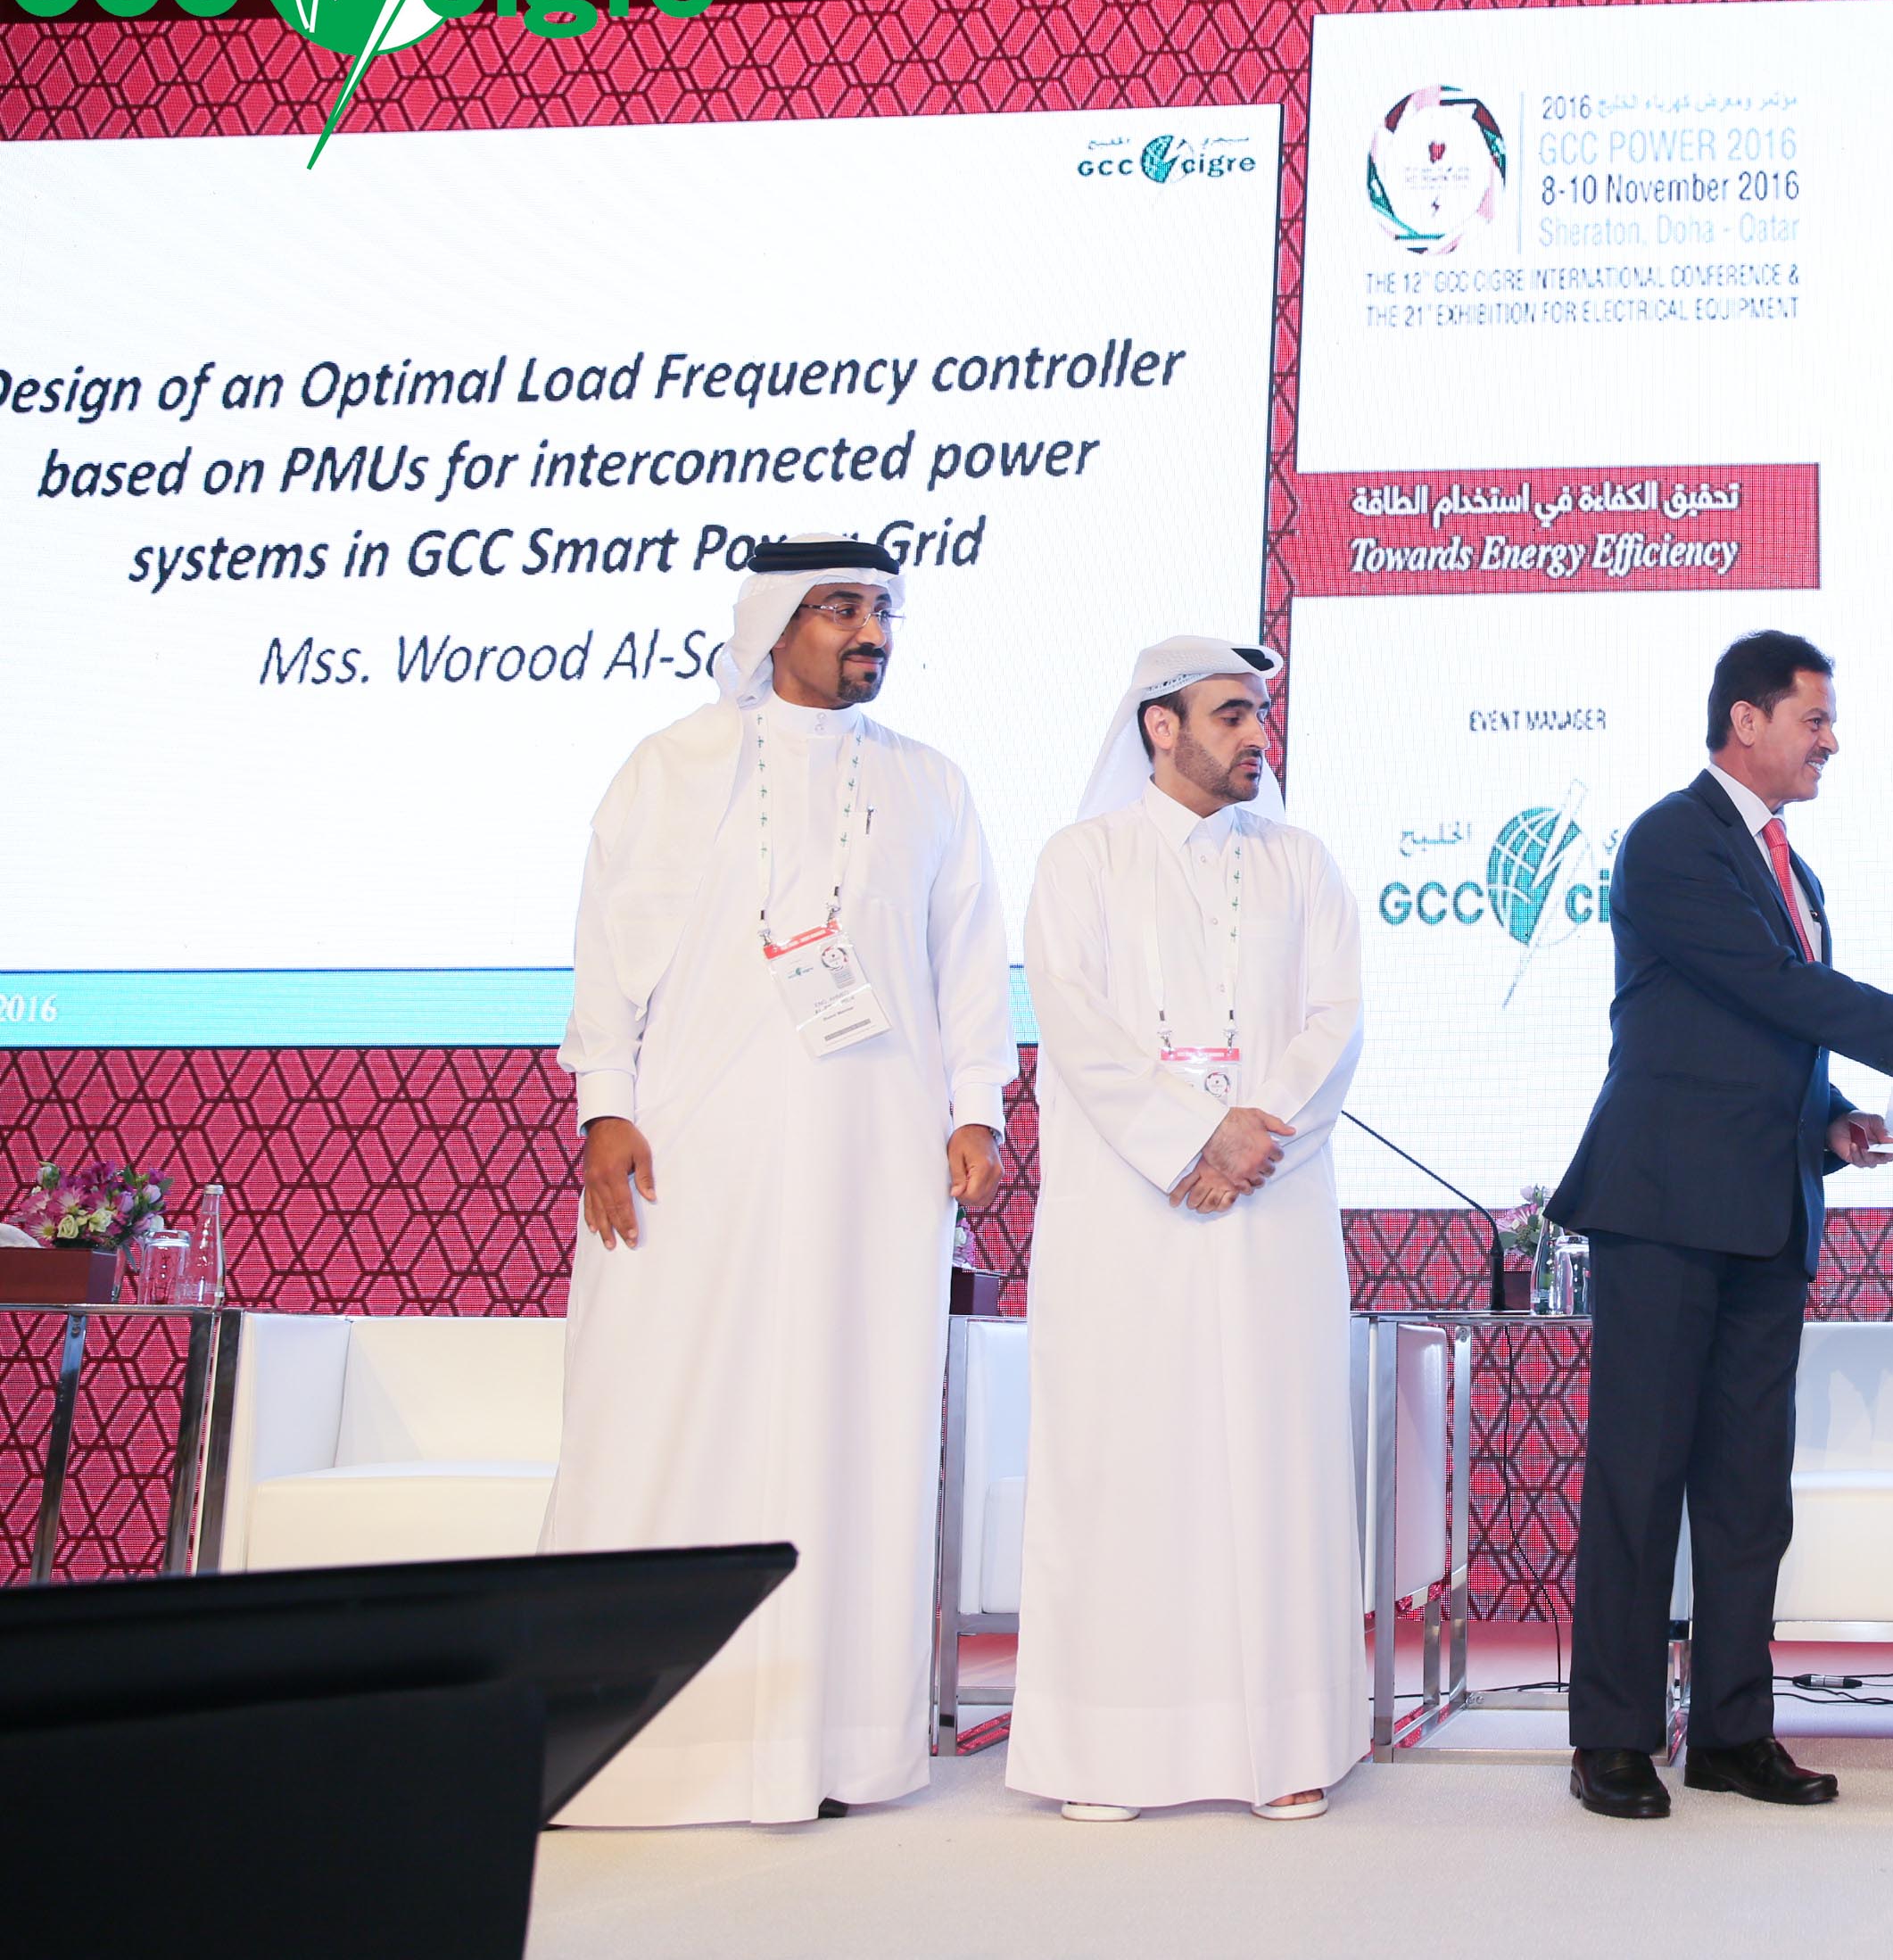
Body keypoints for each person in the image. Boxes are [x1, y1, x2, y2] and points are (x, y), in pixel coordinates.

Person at [550, 537, 1014, 1826]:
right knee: (662, 1400)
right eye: (841, 608)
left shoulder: (928, 781)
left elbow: (970, 960)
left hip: (876, 1156)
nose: (872, 632)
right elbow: (606, 950)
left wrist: (977, 1107)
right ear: (772, 624)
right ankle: (640, 1745)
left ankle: (836, 1748)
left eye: (883, 610)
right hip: (697, 1147)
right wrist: (604, 1104)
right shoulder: (675, 764)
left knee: (852, 1417)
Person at [1550, 631, 1893, 1821]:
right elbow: (1773, 988)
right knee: (1640, 1479)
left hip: (1766, 1210)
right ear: (1746, 720)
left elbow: (1762, 1035)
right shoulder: (1673, 838)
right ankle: (1612, 1736)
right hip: (1665, 1208)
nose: (1831, 742)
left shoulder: (1795, 871)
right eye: (1814, 719)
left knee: (1748, 1493)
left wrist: (1829, 1120)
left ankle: (1730, 1732)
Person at [1005, 635, 1370, 1826]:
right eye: (1230, 715)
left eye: (1260, 714)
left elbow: (1336, 1021)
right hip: (1130, 1212)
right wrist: (1192, 1140)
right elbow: (1076, 1026)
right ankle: (1107, 1753)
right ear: (1160, 727)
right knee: (1126, 1467)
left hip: (1270, 1210)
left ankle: (1285, 1745)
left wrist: (1251, 1139)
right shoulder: (1082, 860)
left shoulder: (1303, 862)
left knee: (1273, 1465)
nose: (1257, 735)